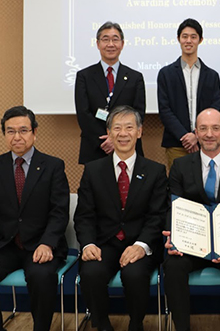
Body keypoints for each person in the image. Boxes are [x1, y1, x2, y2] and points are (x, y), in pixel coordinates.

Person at [0, 106, 70, 331]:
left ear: (34, 132)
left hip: (43, 245)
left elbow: (59, 211)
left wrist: (47, 243)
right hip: (7, 245)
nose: (17, 137)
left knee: (41, 276)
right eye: (10, 131)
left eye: (23, 130)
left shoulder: (53, 166)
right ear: (4, 135)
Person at [74, 105, 168, 331]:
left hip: (140, 243)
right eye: (117, 128)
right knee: (91, 272)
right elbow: (84, 215)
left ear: (139, 132)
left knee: (135, 274)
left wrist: (141, 245)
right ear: (109, 132)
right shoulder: (93, 170)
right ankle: (102, 324)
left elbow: (158, 215)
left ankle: (136, 324)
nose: (123, 133)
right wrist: (87, 244)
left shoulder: (155, 171)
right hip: (104, 242)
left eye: (129, 127)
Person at [163, 108, 220, 331]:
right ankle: (182, 327)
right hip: (192, 244)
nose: (209, 134)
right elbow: (172, 207)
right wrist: (172, 238)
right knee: (173, 265)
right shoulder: (181, 166)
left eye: (215, 128)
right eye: (203, 128)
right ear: (196, 132)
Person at [75, 21, 146, 164]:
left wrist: (116, 139)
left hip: (127, 145)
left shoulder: (135, 77)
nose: (110, 44)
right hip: (96, 146)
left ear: (122, 44)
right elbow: (83, 113)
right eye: (105, 39)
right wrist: (106, 139)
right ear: (97, 44)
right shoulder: (84, 76)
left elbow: (138, 113)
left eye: (115, 39)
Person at [157, 18, 220, 168]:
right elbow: (164, 110)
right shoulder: (166, 74)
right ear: (178, 39)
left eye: (193, 37)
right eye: (184, 36)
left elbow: (214, 109)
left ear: (200, 40)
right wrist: (184, 136)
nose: (188, 40)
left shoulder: (212, 75)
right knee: (178, 187)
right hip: (176, 144)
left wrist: (197, 135)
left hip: (205, 143)